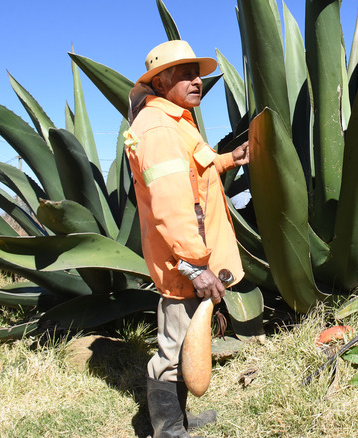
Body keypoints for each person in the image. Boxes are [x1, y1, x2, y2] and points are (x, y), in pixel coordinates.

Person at [125, 39, 248, 438]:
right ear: (160, 81)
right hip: (182, 260)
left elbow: (195, 171)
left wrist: (230, 159)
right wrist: (194, 266)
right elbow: (171, 205)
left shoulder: (176, 120)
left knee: (185, 341)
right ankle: (168, 429)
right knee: (175, 349)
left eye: (198, 73)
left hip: (188, 255)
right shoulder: (160, 128)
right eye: (184, 73)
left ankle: (179, 417)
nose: (196, 81)